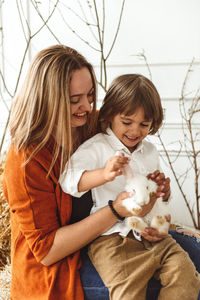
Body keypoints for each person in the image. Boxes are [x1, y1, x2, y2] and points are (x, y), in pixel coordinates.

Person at [3, 45, 200, 300]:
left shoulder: (96, 124)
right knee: (139, 281)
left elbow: (137, 156)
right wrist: (117, 210)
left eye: (90, 96)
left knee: (192, 256)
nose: (87, 107)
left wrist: (156, 194)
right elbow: (47, 251)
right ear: (48, 100)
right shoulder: (25, 159)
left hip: (125, 231)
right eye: (75, 100)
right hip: (61, 263)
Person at [59, 74, 200, 300]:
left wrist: (162, 192)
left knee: (184, 272)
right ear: (109, 115)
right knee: (128, 291)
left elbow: (156, 200)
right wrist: (103, 174)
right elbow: (68, 180)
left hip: (151, 234)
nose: (135, 131)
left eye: (144, 125)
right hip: (112, 239)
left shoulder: (150, 152)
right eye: (127, 122)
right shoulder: (96, 148)